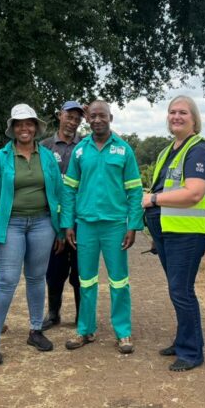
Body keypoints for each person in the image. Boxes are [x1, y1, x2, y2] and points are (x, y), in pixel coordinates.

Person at [0, 104, 64, 365]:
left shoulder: (48, 157)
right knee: (6, 280)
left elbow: (59, 194)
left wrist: (59, 229)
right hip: (11, 225)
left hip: (42, 223)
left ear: (36, 127)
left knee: (37, 278)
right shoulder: (1, 158)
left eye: (29, 123)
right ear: (13, 129)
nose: (24, 128)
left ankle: (35, 330)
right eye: (19, 124)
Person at [142, 96, 205, 371]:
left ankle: (191, 352)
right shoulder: (169, 150)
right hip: (168, 231)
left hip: (187, 233)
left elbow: (194, 193)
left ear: (194, 119)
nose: (176, 116)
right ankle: (183, 339)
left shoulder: (199, 150)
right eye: (172, 112)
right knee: (177, 290)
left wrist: (152, 201)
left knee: (181, 290)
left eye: (183, 112)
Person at [61, 100, 143, 353]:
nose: (97, 120)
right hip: (85, 225)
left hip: (115, 226)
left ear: (111, 118)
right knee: (86, 281)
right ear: (88, 119)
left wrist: (133, 225)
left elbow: (135, 190)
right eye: (93, 116)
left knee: (119, 281)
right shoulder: (80, 150)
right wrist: (68, 224)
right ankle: (86, 329)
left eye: (102, 116)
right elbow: (69, 189)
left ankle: (123, 332)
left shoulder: (123, 150)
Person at [40, 101, 84, 329]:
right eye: (70, 116)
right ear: (60, 115)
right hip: (52, 219)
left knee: (80, 269)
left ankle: (81, 316)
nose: (73, 122)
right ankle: (53, 314)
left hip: (79, 219)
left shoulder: (85, 146)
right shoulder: (45, 146)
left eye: (78, 118)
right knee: (54, 270)